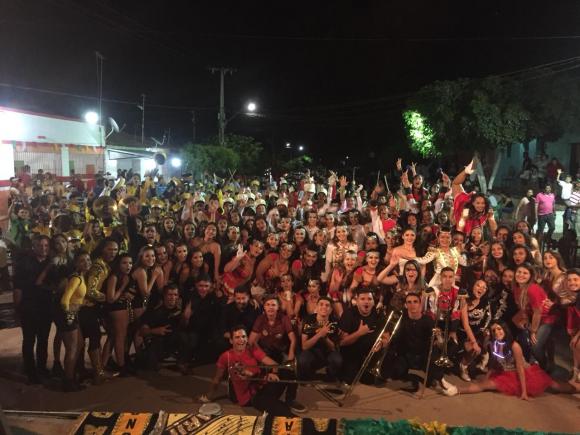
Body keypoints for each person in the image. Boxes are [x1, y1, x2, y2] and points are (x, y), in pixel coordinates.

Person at [443, 322, 577, 398]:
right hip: (505, 374)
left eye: (499, 329)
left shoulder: (514, 346)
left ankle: (575, 388)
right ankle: (456, 389)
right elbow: (493, 363)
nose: (497, 332)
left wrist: (524, 392)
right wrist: (487, 377)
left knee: (555, 386)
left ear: (505, 329)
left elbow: (520, 368)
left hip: (525, 374)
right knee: (484, 385)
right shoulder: (492, 344)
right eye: (494, 330)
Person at [203, 325, 294, 416]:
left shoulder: (252, 350)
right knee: (275, 406)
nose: (241, 340)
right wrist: (208, 396)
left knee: (288, 371)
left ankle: (290, 401)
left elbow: (274, 364)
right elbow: (217, 378)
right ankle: (286, 412)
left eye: (243, 337)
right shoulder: (226, 356)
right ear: (231, 340)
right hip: (250, 397)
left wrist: (274, 373)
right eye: (237, 337)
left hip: (263, 386)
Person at [383, 292, 455, 393]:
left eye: (415, 302)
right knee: (395, 373)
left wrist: (439, 336)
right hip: (407, 354)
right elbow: (392, 336)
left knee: (433, 353)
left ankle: (440, 379)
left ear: (420, 304)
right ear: (405, 305)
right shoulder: (401, 319)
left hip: (423, 355)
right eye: (409, 302)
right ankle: (415, 376)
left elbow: (440, 344)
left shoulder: (428, 320)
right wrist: (386, 336)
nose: (412, 305)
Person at [249, 295, 306, 413]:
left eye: (273, 305)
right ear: (264, 307)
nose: (270, 307)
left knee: (292, 370)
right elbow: (251, 341)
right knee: (265, 372)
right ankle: (267, 398)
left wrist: (291, 354)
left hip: (280, 350)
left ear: (278, 307)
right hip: (265, 350)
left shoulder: (284, 318)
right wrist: (260, 354)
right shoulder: (260, 319)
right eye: (268, 305)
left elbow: (293, 339)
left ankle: (290, 399)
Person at [13, 235, 53, 383]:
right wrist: (17, 308)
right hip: (29, 306)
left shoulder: (51, 263)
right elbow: (18, 288)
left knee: (43, 339)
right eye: (40, 245)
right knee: (29, 339)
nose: (43, 248)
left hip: (46, 307)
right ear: (33, 246)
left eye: (46, 245)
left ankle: (42, 367)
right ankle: (30, 370)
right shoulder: (24, 264)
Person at [338, 287, 389, 384]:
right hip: (351, 351)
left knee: (369, 381)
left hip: (370, 352)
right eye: (362, 299)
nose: (366, 302)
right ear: (356, 301)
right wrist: (359, 333)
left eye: (369, 299)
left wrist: (382, 343)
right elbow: (342, 343)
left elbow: (386, 336)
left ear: (373, 302)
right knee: (349, 379)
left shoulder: (378, 314)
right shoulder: (348, 314)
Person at [59, 251, 92, 391]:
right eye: (82, 260)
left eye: (88, 259)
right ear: (76, 263)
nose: (87, 262)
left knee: (79, 345)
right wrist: (69, 315)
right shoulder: (76, 279)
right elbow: (64, 300)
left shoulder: (81, 276)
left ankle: (71, 374)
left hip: (73, 315)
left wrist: (82, 303)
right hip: (69, 316)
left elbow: (75, 298)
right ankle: (68, 382)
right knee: (72, 349)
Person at [137, 284, 182, 371]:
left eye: (175, 295)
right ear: (164, 296)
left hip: (174, 341)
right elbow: (142, 332)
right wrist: (154, 330)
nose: (173, 297)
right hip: (158, 341)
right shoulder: (154, 312)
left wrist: (185, 319)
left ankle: (181, 363)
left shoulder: (180, 311)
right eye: (170, 295)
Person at [298, 296, 342, 381]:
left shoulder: (334, 322)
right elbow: (304, 346)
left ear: (331, 310)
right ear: (317, 307)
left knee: (337, 360)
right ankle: (309, 376)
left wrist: (325, 337)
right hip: (311, 350)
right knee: (303, 360)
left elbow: (333, 348)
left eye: (327, 305)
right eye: (321, 304)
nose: (324, 307)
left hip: (328, 351)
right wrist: (319, 334)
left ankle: (330, 376)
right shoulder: (308, 320)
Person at [535, 184, 556, 249]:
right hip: (541, 215)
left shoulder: (552, 195)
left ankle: (547, 237)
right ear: (544, 189)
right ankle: (538, 246)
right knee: (540, 231)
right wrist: (536, 215)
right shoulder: (539, 195)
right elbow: (536, 205)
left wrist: (554, 212)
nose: (549, 189)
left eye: (549, 188)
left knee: (552, 227)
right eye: (547, 188)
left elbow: (553, 204)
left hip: (550, 214)